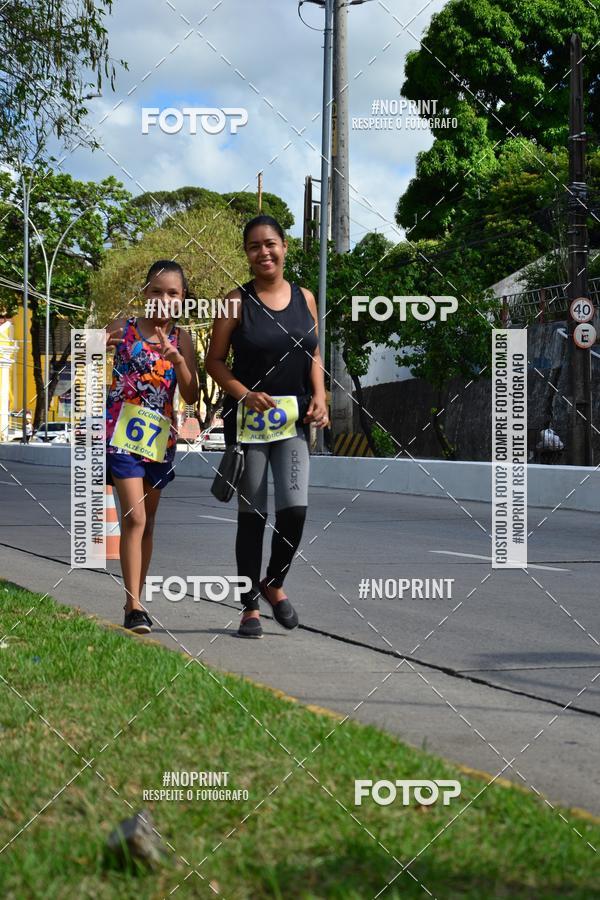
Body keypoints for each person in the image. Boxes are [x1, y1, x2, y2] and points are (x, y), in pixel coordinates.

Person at [206, 215, 328, 638]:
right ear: (247, 253)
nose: (264, 252)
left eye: (271, 244)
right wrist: (243, 393)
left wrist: (321, 396)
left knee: (294, 510)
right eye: (255, 246)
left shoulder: (305, 299)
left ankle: (273, 582)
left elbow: (313, 353)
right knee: (252, 515)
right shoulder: (234, 302)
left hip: (291, 424)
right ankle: (248, 607)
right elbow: (214, 362)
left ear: (285, 247)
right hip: (250, 426)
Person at [105, 260, 198, 633]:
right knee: (135, 518)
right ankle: (133, 607)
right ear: (145, 293)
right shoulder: (122, 327)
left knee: (148, 523)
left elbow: (191, 394)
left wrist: (178, 362)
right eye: (156, 291)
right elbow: (86, 356)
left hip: (160, 439)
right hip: (120, 437)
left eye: (173, 293)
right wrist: (95, 345)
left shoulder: (183, 339)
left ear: (182, 300)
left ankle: (137, 597)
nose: (164, 299)